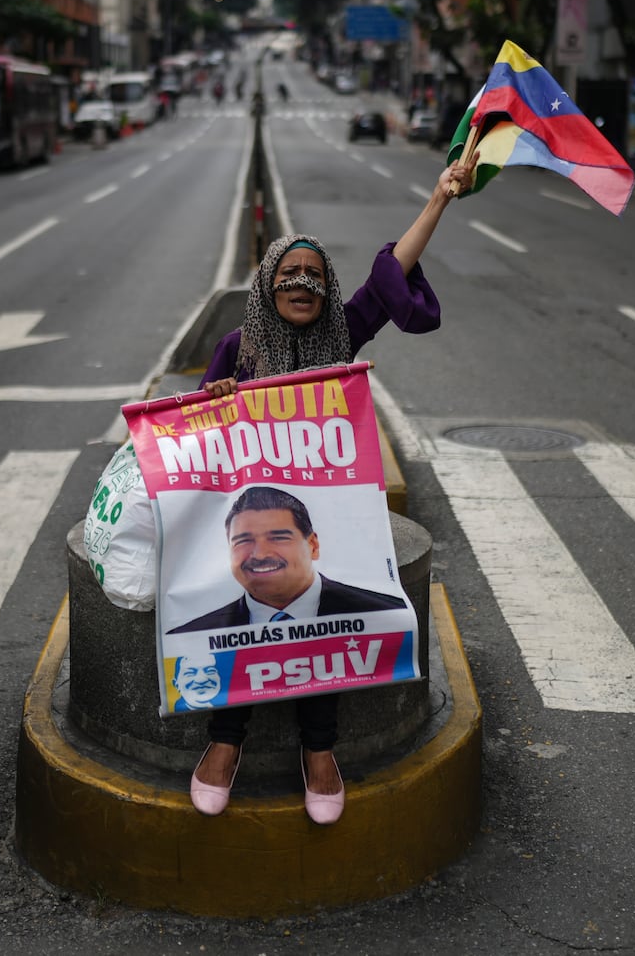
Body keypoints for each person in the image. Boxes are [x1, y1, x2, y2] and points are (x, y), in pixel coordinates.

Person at [187, 157, 477, 824]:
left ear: (327, 289)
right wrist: (217, 397)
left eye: (314, 275)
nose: (301, 282)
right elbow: (194, 435)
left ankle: (320, 752)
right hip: (250, 527)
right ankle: (224, 743)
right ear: (265, 284)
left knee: (320, 612)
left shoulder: (344, 332)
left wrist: (437, 196)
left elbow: (394, 272)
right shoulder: (237, 345)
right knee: (243, 610)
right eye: (288, 272)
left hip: (326, 528)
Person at [168, 486, 409, 634]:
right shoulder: (191, 636)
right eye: (243, 540)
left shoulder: (383, 616)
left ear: (313, 545)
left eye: (278, 537)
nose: (260, 554)